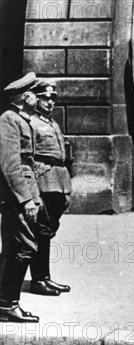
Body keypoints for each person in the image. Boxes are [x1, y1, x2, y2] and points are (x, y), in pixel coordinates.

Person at [0, 72, 41, 323]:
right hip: (15, 196)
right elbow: (10, 163)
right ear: (26, 96)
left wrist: (33, 197)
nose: (37, 98)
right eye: (35, 93)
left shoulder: (21, 119)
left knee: (16, 247)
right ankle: (7, 304)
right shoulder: (9, 119)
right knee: (23, 247)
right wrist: (25, 199)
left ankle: (6, 302)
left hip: (26, 191)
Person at [28, 80, 73, 296]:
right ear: (35, 99)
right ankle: (39, 279)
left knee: (48, 230)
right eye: (44, 98)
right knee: (41, 231)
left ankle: (45, 277)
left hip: (58, 181)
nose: (49, 102)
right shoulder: (31, 123)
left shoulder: (53, 123)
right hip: (42, 180)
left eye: (52, 98)